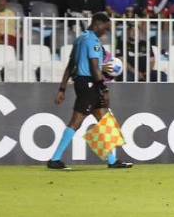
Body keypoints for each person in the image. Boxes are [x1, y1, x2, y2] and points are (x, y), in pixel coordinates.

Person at [48, 12, 133, 170]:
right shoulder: (93, 41)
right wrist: (104, 88)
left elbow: (71, 65)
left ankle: (112, 160)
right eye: (105, 28)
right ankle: (55, 159)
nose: (105, 32)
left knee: (104, 119)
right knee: (76, 121)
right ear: (97, 24)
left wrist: (62, 88)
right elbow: (94, 69)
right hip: (89, 84)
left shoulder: (80, 39)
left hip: (84, 83)